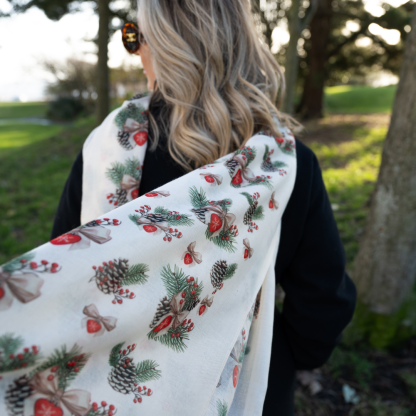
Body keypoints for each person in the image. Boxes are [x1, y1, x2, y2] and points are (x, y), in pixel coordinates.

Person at [50, 1, 356, 414]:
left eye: (135, 35)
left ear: (166, 44)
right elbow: (323, 302)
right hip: (249, 389)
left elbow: (65, 274)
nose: (135, 51)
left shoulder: (106, 150)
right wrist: (283, 357)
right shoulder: (286, 163)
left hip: (115, 392)